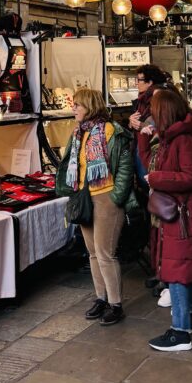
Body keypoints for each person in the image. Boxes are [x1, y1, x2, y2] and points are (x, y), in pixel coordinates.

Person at [56, 87, 135, 326]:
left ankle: (115, 304)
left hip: (106, 197)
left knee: (105, 253)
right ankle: (101, 298)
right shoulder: (78, 132)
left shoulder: (112, 131)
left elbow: (124, 166)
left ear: (90, 106)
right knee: (91, 253)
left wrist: (116, 197)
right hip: (84, 197)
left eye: (78, 105)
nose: (74, 109)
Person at [146, 88, 192, 352]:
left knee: (178, 272)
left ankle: (180, 331)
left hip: (184, 215)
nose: (150, 113)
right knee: (182, 268)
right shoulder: (171, 138)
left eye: (154, 108)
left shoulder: (182, 140)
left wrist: (156, 178)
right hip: (181, 213)